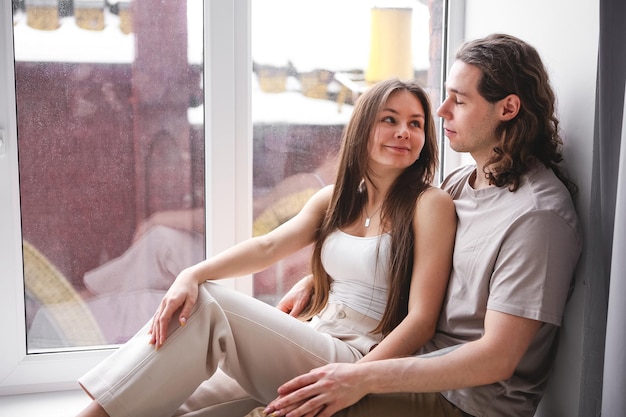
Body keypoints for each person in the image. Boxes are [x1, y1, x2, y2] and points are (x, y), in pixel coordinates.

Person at [74, 78, 457, 417]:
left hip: (358, 358)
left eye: (415, 124)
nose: (404, 131)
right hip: (316, 335)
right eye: (390, 119)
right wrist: (191, 273)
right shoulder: (335, 200)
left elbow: (421, 321)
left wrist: (357, 378)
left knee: (209, 303)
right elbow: (267, 246)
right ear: (363, 127)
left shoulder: (429, 204)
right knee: (177, 403)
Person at [260, 33, 583, 417]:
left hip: (463, 402)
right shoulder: (460, 184)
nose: (441, 110)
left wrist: (360, 379)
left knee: (279, 396)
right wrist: (319, 279)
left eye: (459, 100)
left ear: (508, 108)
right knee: (248, 386)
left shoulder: (537, 217)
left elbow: (497, 358)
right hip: (407, 365)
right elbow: (403, 251)